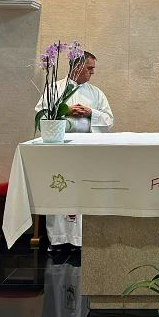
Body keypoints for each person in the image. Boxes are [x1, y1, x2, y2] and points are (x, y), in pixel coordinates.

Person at [34, 51, 113, 252]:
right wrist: (65, 110)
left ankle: (82, 239)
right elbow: (40, 113)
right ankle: (58, 239)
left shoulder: (96, 93)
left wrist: (91, 113)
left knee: (84, 190)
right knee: (59, 187)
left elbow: (109, 120)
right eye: (90, 68)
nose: (92, 72)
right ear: (76, 67)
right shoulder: (55, 88)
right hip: (60, 149)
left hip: (87, 150)